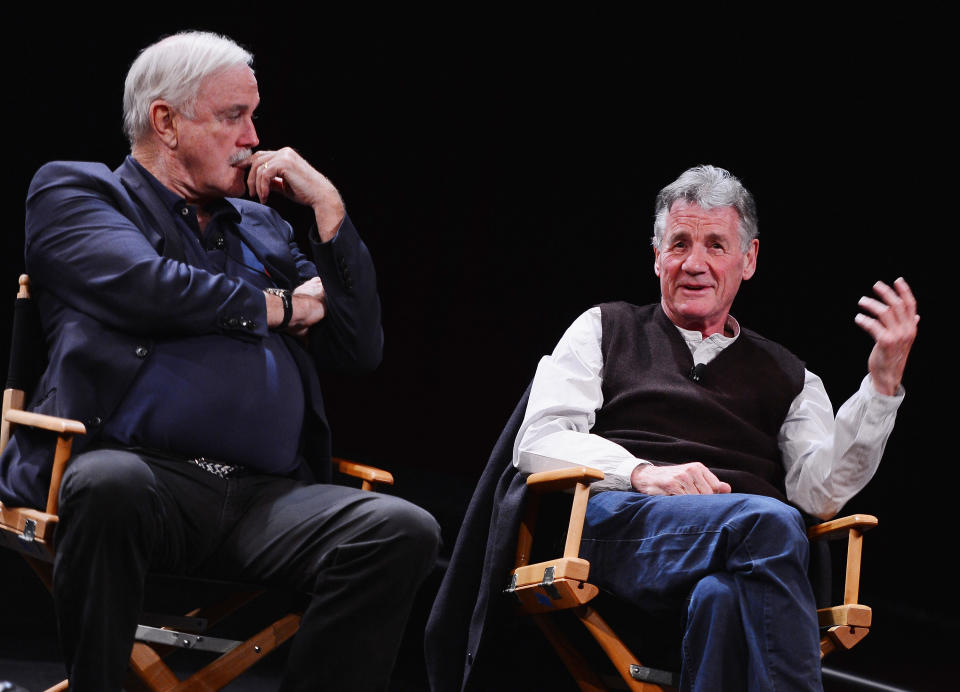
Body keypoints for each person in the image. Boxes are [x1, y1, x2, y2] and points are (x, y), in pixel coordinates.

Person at [0, 31, 439, 692]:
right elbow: (147, 286)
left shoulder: (260, 226)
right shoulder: (78, 193)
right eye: (234, 116)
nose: (254, 137)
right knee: (108, 483)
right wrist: (283, 308)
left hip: (265, 498)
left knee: (400, 529)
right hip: (137, 476)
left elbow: (355, 346)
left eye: (253, 116)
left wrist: (327, 207)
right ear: (165, 122)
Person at [510, 164, 919, 690]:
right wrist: (642, 473)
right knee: (770, 524)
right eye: (679, 243)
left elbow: (818, 494)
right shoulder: (604, 329)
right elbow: (538, 440)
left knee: (722, 599)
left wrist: (881, 387)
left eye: (716, 246)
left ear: (748, 260)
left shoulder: (791, 377)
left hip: (746, 550)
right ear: (656, 254)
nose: (694, 263)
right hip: (622, 528)